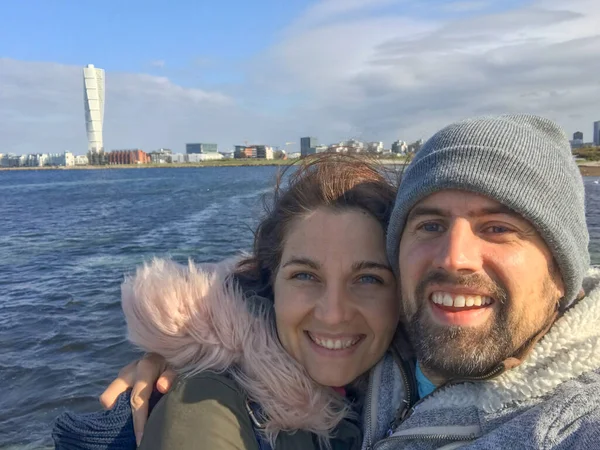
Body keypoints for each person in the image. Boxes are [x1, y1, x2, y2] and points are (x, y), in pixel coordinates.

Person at [103, 114, 600, 449]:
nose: (455, 256)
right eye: (429, 224)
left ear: (563, 271)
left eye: (499, 228)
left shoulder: (572, 423)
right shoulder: (210, 405)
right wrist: (181, 344)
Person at [54, 154, 403, 450]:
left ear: (402, 294)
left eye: (368, 278)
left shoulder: (415, 381)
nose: (333, 313)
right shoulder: (206, 403)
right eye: (305, 276)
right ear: (270, 281)